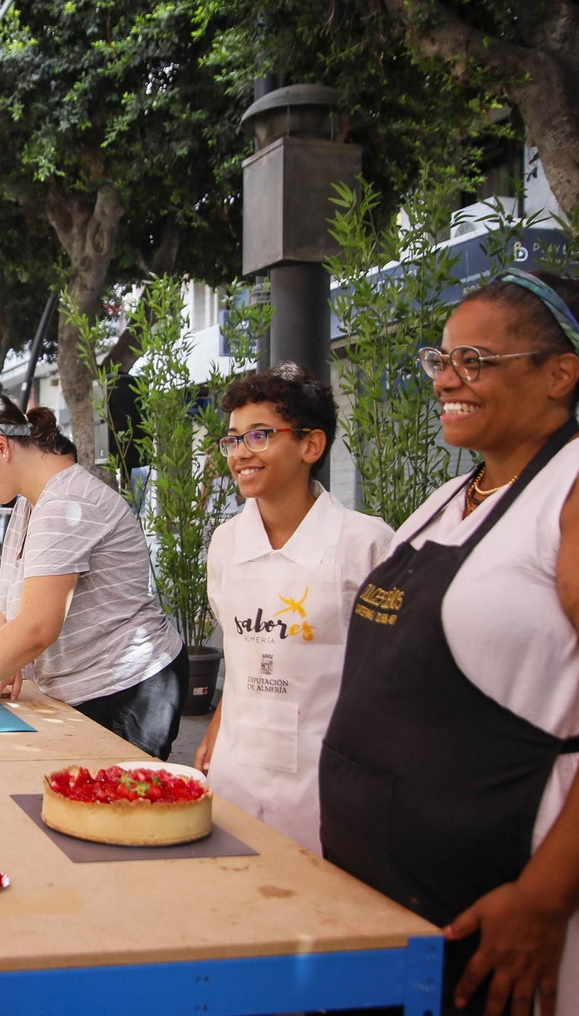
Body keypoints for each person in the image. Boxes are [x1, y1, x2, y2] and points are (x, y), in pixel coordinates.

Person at [319, 269, 579, 1014]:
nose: (446, 380)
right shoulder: (446, 500)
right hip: (404, 904)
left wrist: (543, 898)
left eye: (474, 361)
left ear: (559, 373)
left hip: (523, 899)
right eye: (439, 361)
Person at [0, 394, 188, 759]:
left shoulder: (65, 504)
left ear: (1, 446)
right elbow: (13, 608)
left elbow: (36, 627)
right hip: (82, 683)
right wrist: (4, 661)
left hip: (124, 687)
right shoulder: (31, 501)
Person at [192, 364, 394, 854]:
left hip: (326, 782)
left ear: (311, 445)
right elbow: (241, 656)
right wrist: (215, 733)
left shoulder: (365, 543)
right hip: (237, 772)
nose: (240, 453)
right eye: (233, 439)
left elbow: (390, 679)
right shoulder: (225, 542)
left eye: (259, 435)